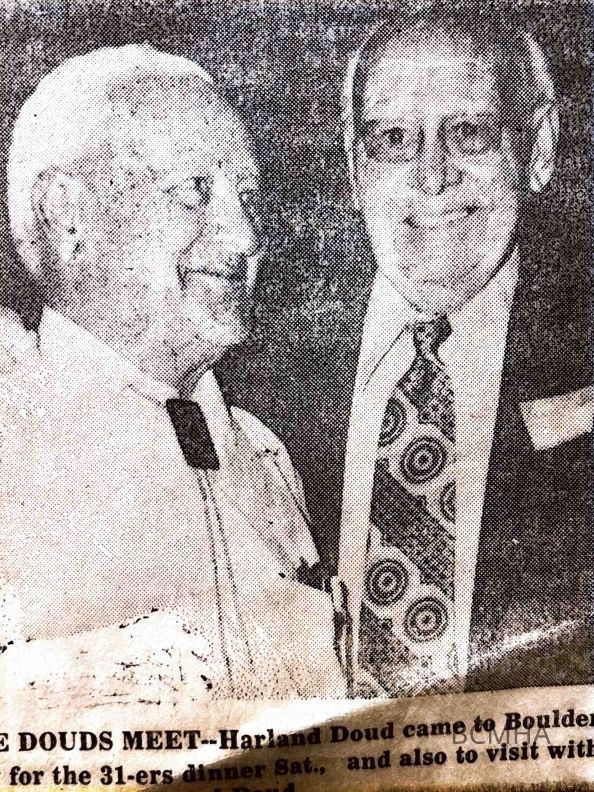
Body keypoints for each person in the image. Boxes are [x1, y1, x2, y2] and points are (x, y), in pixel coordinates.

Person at [236, 9, 592, 697]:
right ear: (353, 163)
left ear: (539, 146)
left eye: (468, 134)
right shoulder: (260, 371)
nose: (431, 177)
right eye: (393, 140)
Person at [0, 43, 345, 705]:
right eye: (194, 191)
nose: (245, 238)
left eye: (247, 197)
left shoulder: (265, 458)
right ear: (67, 213)